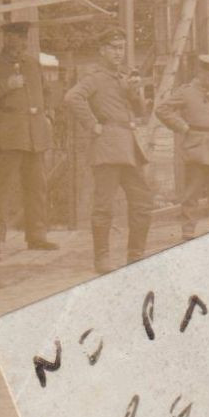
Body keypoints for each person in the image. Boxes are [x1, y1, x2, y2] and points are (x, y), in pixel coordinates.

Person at [65, 28, 154, 274]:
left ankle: (136, 256)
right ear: (102, 50)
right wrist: (92, 124)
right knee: (104, 206)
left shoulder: (124, 77)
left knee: (143, 202)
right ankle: (101, 260)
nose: (118, 53)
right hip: (107, 148)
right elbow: (72, 98)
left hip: (129, 147)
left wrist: (134, 91)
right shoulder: (94, 77)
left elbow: (139, 113)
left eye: (122, 48)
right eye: (113, 48)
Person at [0, 22, 56, 251]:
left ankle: (36, 236)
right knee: (0, 189)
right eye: (15, 37)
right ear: (6, 39)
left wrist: (49, 115)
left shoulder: (32, 64)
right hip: (8, 136)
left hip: (34, 135)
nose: (21, 43)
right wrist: (7, 85)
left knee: (37, 187)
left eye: (23, 38)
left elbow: (45, 92)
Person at [156, 54, 209, 240]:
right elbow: (162, 110)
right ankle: (188, 231)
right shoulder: (186, 92)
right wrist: (182, 127)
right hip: (197, 148)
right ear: (199, 72)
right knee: (192, 193)